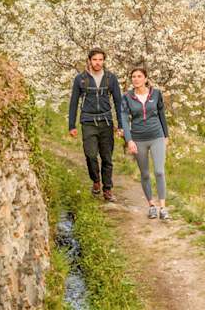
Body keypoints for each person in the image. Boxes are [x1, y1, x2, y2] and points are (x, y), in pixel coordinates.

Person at [68, 49, 126, 202]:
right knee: (90, 155)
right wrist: (71, 125)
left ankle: (107, 189)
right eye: (95, 59)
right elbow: (73, 102)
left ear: (104, 61)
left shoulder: (110, 78)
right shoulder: (80, 79)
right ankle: (96, 181)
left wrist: (121, 125)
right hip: (88, 122)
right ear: (89, 60)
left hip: (106, 122)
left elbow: (118, 102)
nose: (98, 63)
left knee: (107, 157)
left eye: (101, 60)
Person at [121, 67, 170, 220]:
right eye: (133, 77)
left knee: (159, 171)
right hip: (138, 139)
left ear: (145, 78)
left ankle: (163, 207)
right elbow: (124, 119)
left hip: (157, 136)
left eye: (139, 76)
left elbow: (162, 114)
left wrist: (166, 136)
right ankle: (151, 206)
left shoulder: (155, 94)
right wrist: (129, 140)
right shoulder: (127, 97)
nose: (136, 79)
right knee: (145, 174)